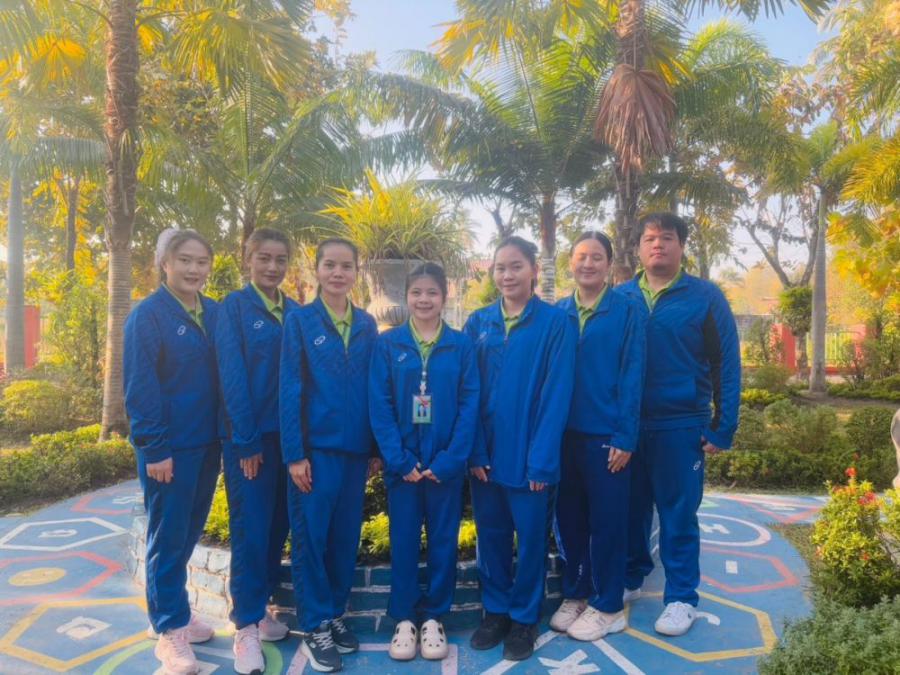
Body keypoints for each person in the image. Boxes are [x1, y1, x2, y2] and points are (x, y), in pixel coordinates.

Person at [618, 212, 741, 637]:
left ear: (681, 246)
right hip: (628, 427)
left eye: (667, 238)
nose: (658, 245)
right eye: (650, 238)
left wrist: (723, 425)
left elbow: (726, 363)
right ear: (638, 247)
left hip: (681, 424)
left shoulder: (705, 297)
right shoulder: (621, 297)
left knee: (678, 514)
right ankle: (631, 576)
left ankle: (681, 598)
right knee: (630, 508)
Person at [464, 236, 577, 661]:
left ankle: (524, 618)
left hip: (530, 457)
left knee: (530, 541)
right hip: (485, 459)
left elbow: (556, 395)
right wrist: (475, 452)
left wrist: (542, 462)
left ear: (533, 270)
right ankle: (495, 612)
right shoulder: (478, 323)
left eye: (516, 266)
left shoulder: (555, 324)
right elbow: (467, 393)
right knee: (491, 537)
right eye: (500, 267)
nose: (507, 275)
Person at [368, 263, 480, 662]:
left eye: (432, 292)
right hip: (404, 469)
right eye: (416, 292)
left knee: (443, 542)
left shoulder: (460, 345)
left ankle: (434, 617)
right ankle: (404, 618)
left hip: (443, 469)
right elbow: (379, 405)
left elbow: (470, 405)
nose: (424, 299)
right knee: (403, 540)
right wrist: (399, 460)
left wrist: (450, 460)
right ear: (406, 297)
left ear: (444, 297)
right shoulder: (389, 345)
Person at [279, 238, 380, 673]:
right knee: (311, 541)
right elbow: (290, 388)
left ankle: (335, 613)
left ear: (357, 272)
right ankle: (315, 623)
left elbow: (375, 388)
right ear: (317, 270)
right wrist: (294, 454)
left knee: (343, 540)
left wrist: (374, 448)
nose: (338, 273)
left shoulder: (367, 324)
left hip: (355, 453)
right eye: (330, 265)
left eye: (346, 266)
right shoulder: (300, 321)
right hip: (315, 455)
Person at [124, 229, 221, 675]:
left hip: (207, 444)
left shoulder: (213, 312)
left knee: (188, 533)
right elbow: (140, 387)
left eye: (201, 261)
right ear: (164, 262)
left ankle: (173, 611)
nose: (193, 269)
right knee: (167, 537)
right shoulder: (148, 316)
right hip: (169, 450)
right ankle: (169, 632)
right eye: (185, 260)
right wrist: (155, 448)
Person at [550, 232, 646, 641]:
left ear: (608, 264)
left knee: (607, 523)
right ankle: (577, 593)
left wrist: (625, 436)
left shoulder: (627, 310)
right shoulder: (558, 312)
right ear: (570, 262)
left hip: (607, 435)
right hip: (563, 435)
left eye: (596, 257)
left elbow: (633, 374)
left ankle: (608, 605)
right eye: (581, 257)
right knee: (569, 519)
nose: (587, 264)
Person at [215, 228, 299, 674]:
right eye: (264, 257)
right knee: (250, 530)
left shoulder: (296, 312)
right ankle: (245, 625)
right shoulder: (233, 308)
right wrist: (245, 440)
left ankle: (261, 606)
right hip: (250, 442)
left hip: (290, 441)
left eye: (280, 259)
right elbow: (232, 375)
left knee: (276, 526)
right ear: (247, 259)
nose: (272, 266)